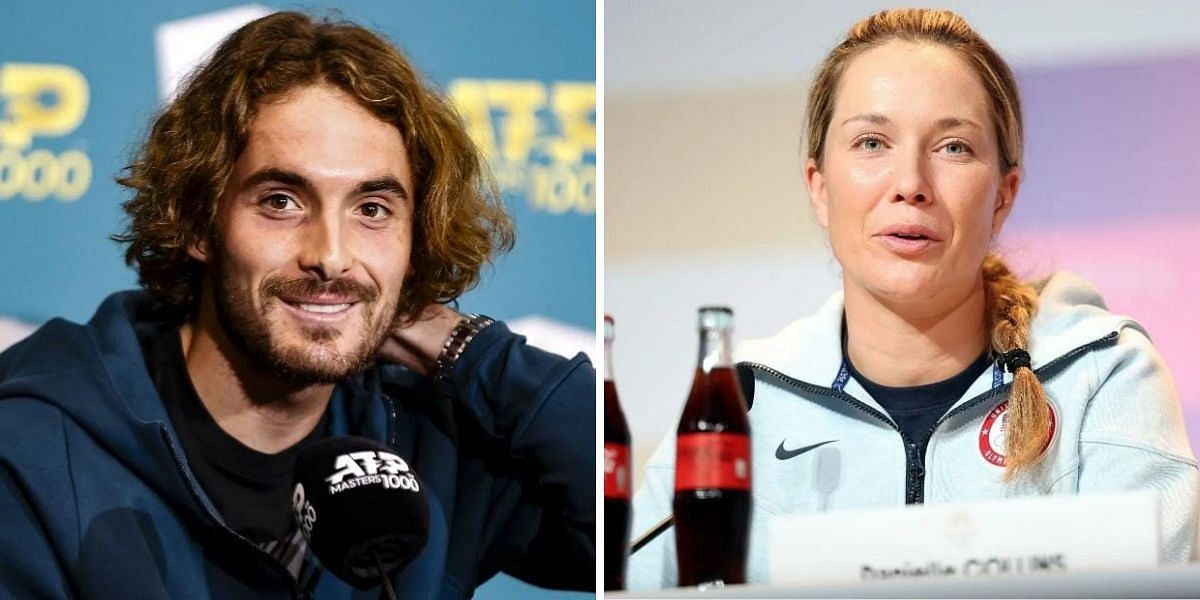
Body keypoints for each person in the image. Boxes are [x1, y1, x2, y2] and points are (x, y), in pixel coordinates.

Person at [0, 11, 594, 599]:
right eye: (281, 201)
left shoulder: (428, 443)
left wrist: (466, 349)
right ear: (200, 222)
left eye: (372, 210)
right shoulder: (36, 450)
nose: (331, 256)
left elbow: (617, 532)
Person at [628, 8, 1198, 589]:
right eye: (872, 142)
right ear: (819, 188)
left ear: (1004, 196)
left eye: (952, 147)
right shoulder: (744, 398)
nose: (910, 184)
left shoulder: (1104, 376)